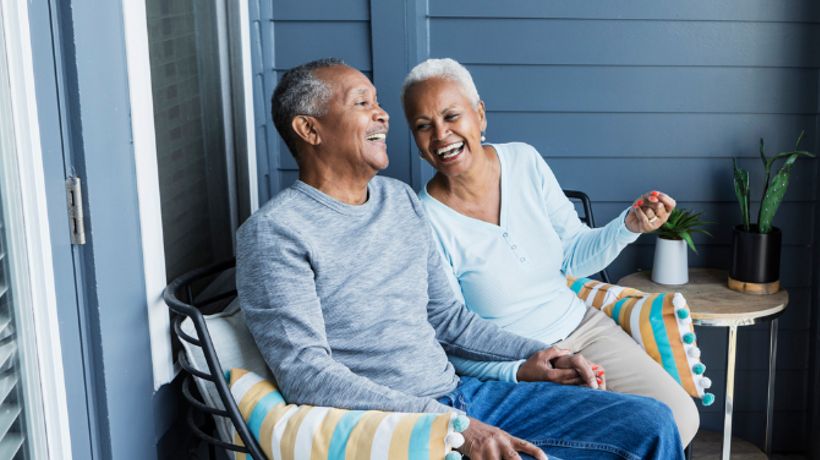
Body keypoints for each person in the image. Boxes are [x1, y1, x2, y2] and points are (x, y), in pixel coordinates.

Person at [236, 57, 684, 459]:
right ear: (309, 130)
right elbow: (306, 374)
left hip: (463, 396)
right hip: (403, 428)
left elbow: (448, 319)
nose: (383, 114)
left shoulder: (397, 201)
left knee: (652, 423)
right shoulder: (276, 233)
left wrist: (541, 353)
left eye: (377, 102)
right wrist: (452, 427)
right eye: (361, 103)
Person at [401, 57, 699, 445]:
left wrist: (628, 227)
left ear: (480, 115)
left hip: (584, 330)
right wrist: (522, 370)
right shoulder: (424, 219)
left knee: (680, 420)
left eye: (452, 116)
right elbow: (451, 338)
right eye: (424, 126)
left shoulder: (524, 161)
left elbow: (574, 255)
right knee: (609, 444)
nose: (441, 135)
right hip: (518, 367)